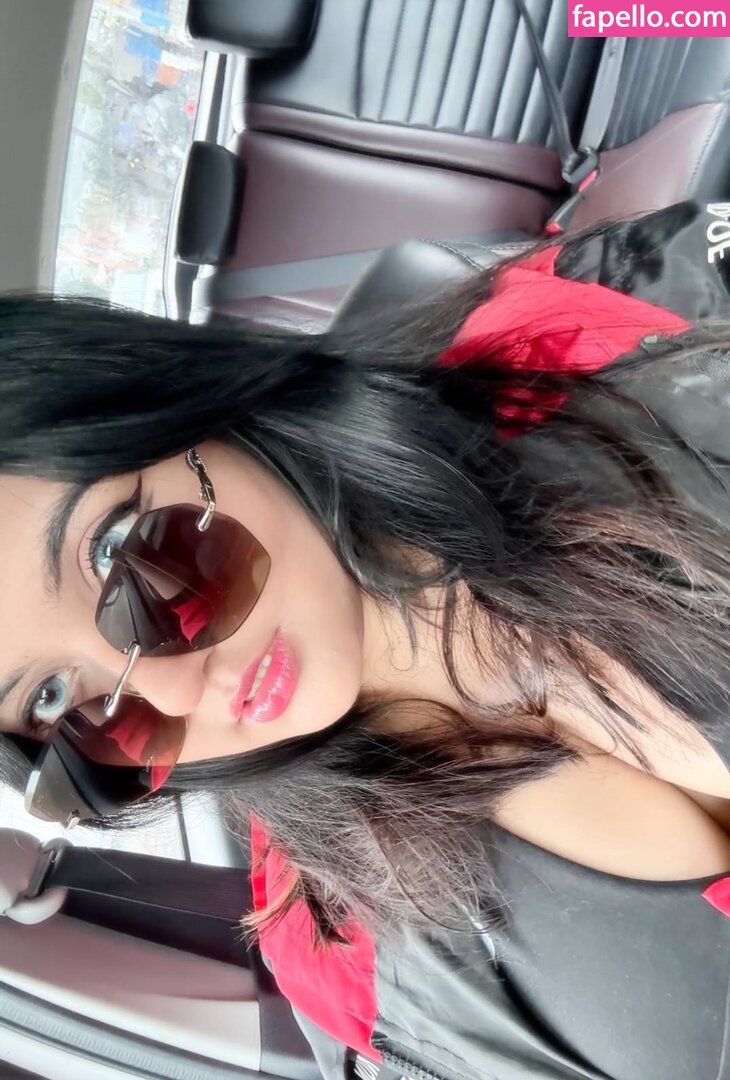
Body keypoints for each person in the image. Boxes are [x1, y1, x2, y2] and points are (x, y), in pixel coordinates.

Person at [1, 200, 730, 1080]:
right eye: (60, 702)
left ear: (172, 403)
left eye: (122, 553)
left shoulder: (601, 319)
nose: (180, 693)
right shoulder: (334, 948)